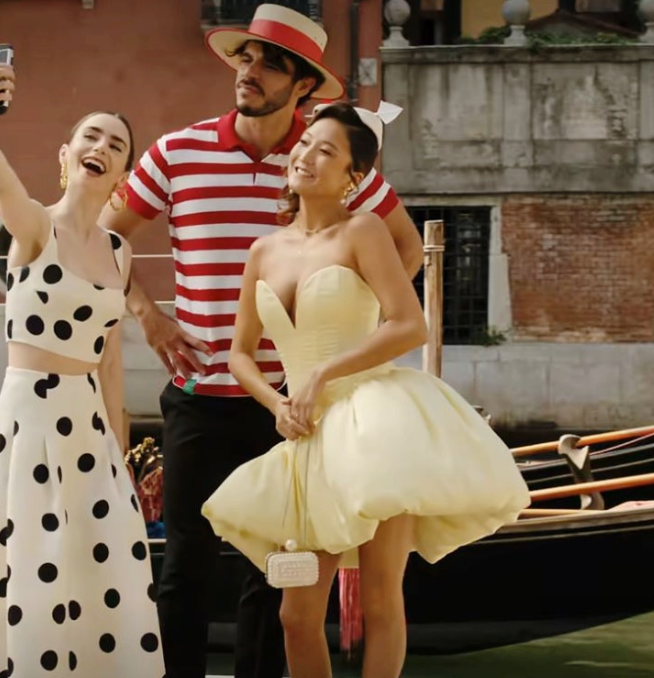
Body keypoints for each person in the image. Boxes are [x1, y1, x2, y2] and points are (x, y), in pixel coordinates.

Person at [98, 6, 423, 677]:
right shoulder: (176, 152)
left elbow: (407, 250)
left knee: (276, 576)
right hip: (198, 393)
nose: (249, 71)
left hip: (296, 408)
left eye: (270, 64)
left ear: (302, 86)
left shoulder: (327, 158)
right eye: (245, 58)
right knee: (183, 566)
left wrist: (342, 328)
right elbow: (104, 239)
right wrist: (148, 316)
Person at [201, 102, 531, 678]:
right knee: (296, 616)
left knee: (380, 600)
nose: (306, 155)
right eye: (306, 143)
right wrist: (276, 402)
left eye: (326, 150)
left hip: (375, 428)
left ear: (353, 176)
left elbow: (409, 325)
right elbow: (238, 354)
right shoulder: (263, 250)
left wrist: (322, 375)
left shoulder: (364, 230)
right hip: (305, 434)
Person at [0, 60, 163, 677]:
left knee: (98, 579)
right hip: (28, 429)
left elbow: (111, 360)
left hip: (90, 438)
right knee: (30, 579)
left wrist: (120, 456)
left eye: (116, 145)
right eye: (91, 136)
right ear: (66, 156)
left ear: (123, 174)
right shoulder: (35, 227)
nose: (102, 147)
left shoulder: (119, 252)